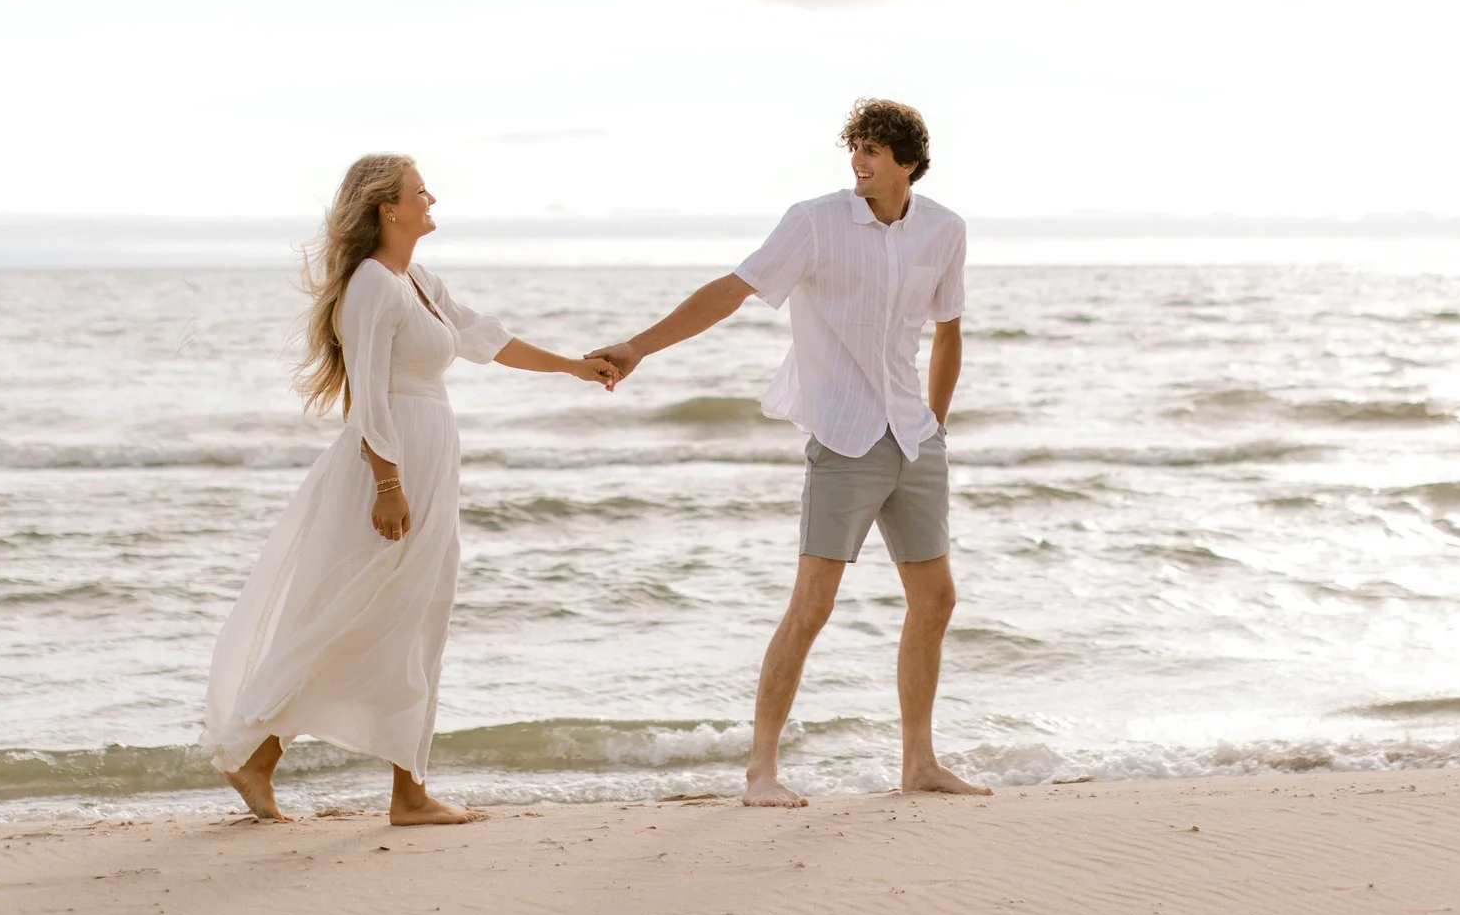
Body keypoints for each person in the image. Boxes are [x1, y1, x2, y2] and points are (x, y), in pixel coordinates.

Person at [588, 99, 989, 807]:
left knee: (936, 598)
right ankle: (761, 772)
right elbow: (732, 290)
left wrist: (937, 424)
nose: (858, 161)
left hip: (914, 436)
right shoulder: (815, 221)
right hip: (843, 435)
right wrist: (638, 345)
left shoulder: (944, 230)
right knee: (812, 605)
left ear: (908, 162)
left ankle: (919, 762)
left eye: (872, 150)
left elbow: (950, 331)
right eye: (854, 148)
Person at [204, 154, 618, 824]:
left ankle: (407, 791)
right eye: (419, 191)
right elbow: (368, 393)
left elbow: (486, 337)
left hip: (427, 461)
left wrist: (572, 366)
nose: (432, 198)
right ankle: (260, 755)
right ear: (386, 208)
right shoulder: (372, 284)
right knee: (352, 613)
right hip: (390, 469)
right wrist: (389, 482)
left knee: (420, 618)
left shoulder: (417, 280)